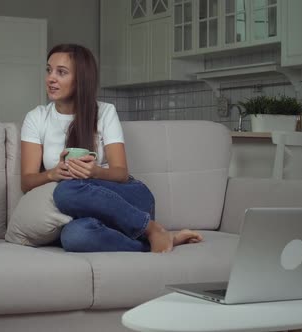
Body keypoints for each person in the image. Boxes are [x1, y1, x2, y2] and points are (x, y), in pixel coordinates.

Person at [20, 43, 202, 253]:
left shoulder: (105, 112)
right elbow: (27, 182)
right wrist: (53, 174)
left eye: (61, 72)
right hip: (81, 212)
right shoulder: (37, 117)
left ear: (81, 79)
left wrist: (95, 171)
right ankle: (154, 240)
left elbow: (121, 173)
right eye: (49, 70)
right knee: (74, 236)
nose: (51, 78)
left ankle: (150, 228)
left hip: (128, 200)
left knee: (67, 190)